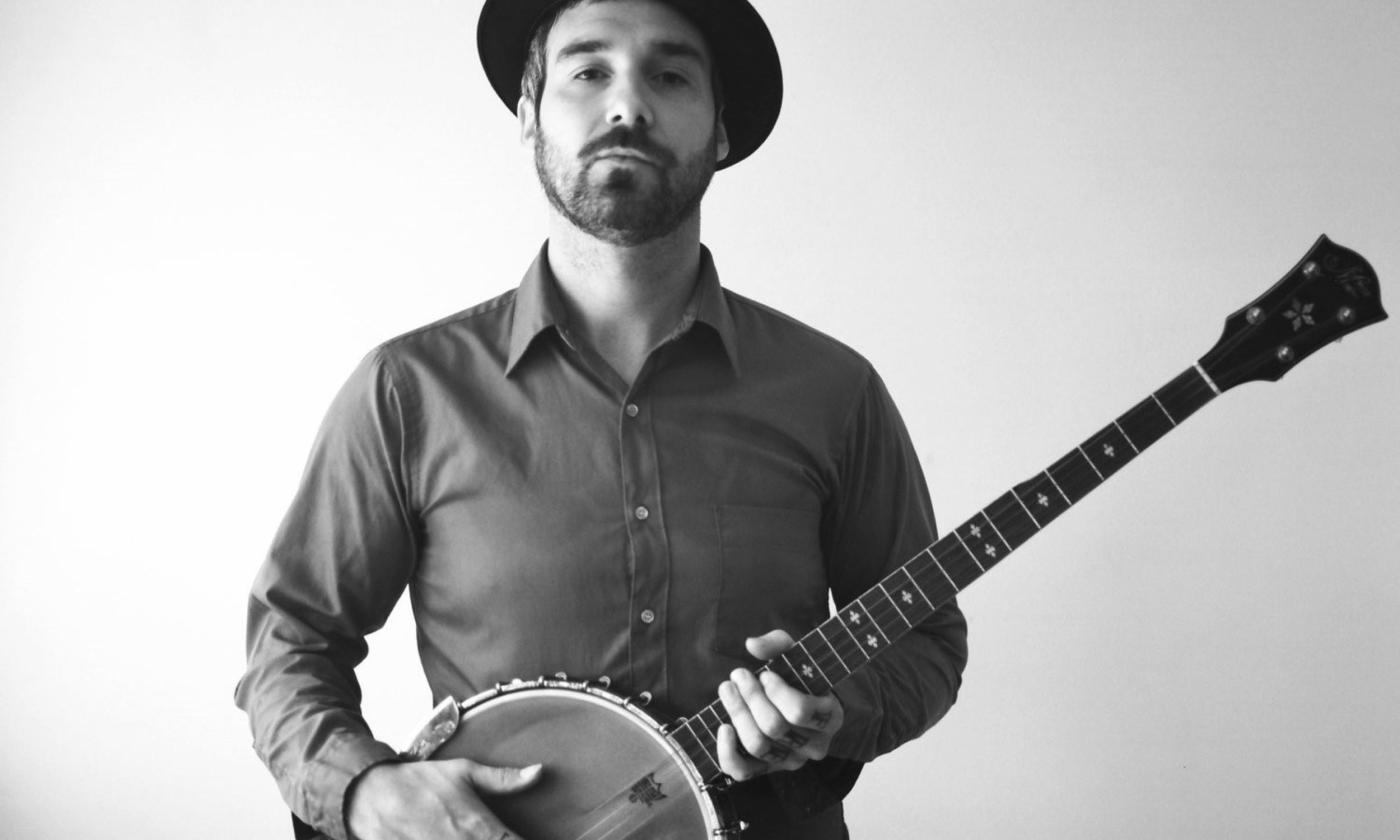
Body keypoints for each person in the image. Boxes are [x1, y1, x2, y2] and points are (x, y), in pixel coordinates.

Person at [235, 1, 968, 838]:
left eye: (669, 74)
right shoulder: (409, 391)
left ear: (721, 130)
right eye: (587, 72)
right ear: (527, 117)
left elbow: (927, 642)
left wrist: (840, 708)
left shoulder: (834, 391)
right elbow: (291, 639)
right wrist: (361, 789)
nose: (628, 105)